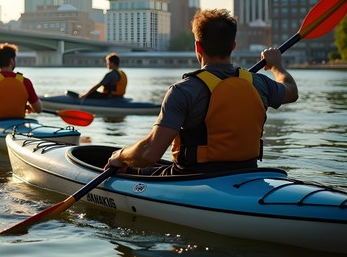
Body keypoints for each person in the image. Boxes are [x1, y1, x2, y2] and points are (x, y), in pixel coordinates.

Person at [105, 9, 299, 175]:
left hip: (192, 177)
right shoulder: (259, 83)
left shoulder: (182, 91)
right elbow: (291, 91)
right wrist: (276, 66)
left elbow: (149, 154)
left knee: (130, 169)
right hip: (247, 172)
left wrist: (120, 156)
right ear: (233, 46)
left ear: (198, 46)